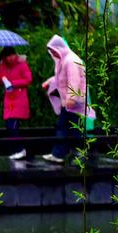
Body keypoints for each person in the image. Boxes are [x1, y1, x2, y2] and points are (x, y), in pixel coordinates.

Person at [41, 35, 95, 164]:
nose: (52, 53)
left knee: (65, 126)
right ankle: (70, 153)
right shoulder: (63, 60)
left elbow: (74, 80)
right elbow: (60, 79)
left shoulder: (70, 60)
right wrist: (49, 82)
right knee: (71, 128)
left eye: (53, 50)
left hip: (73, 102)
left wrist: (71, 98)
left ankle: (61, 154)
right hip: (70, 102)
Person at [0, 46, 33, 160]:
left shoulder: (22, 64)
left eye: (11, 55)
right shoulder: (2, 65)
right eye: (7, 56)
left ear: (15, 55)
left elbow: (28, 79)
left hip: (19, 98)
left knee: (13, 124)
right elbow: (0, 83)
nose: (10, 58)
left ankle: (20, 149)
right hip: (9, 99)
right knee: (10, 125)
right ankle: (18, 149)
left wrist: (13, 83)